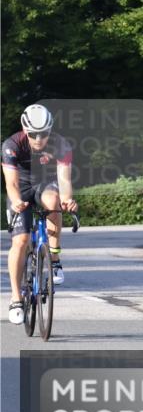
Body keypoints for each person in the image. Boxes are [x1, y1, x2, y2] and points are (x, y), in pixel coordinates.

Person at [3, 104, 77, 324]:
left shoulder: (60, 144)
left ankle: (54, 259)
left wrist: (67, 199)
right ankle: (16, 297)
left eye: (44, 133)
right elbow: (12, 183)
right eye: (34, 134)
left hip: (45, 185)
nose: (39, 138)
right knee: (21, 240)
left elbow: (64, 180)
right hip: (22, 189)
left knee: (55, 202)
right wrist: (16, 201)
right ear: (25, 130)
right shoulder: (12, 145)